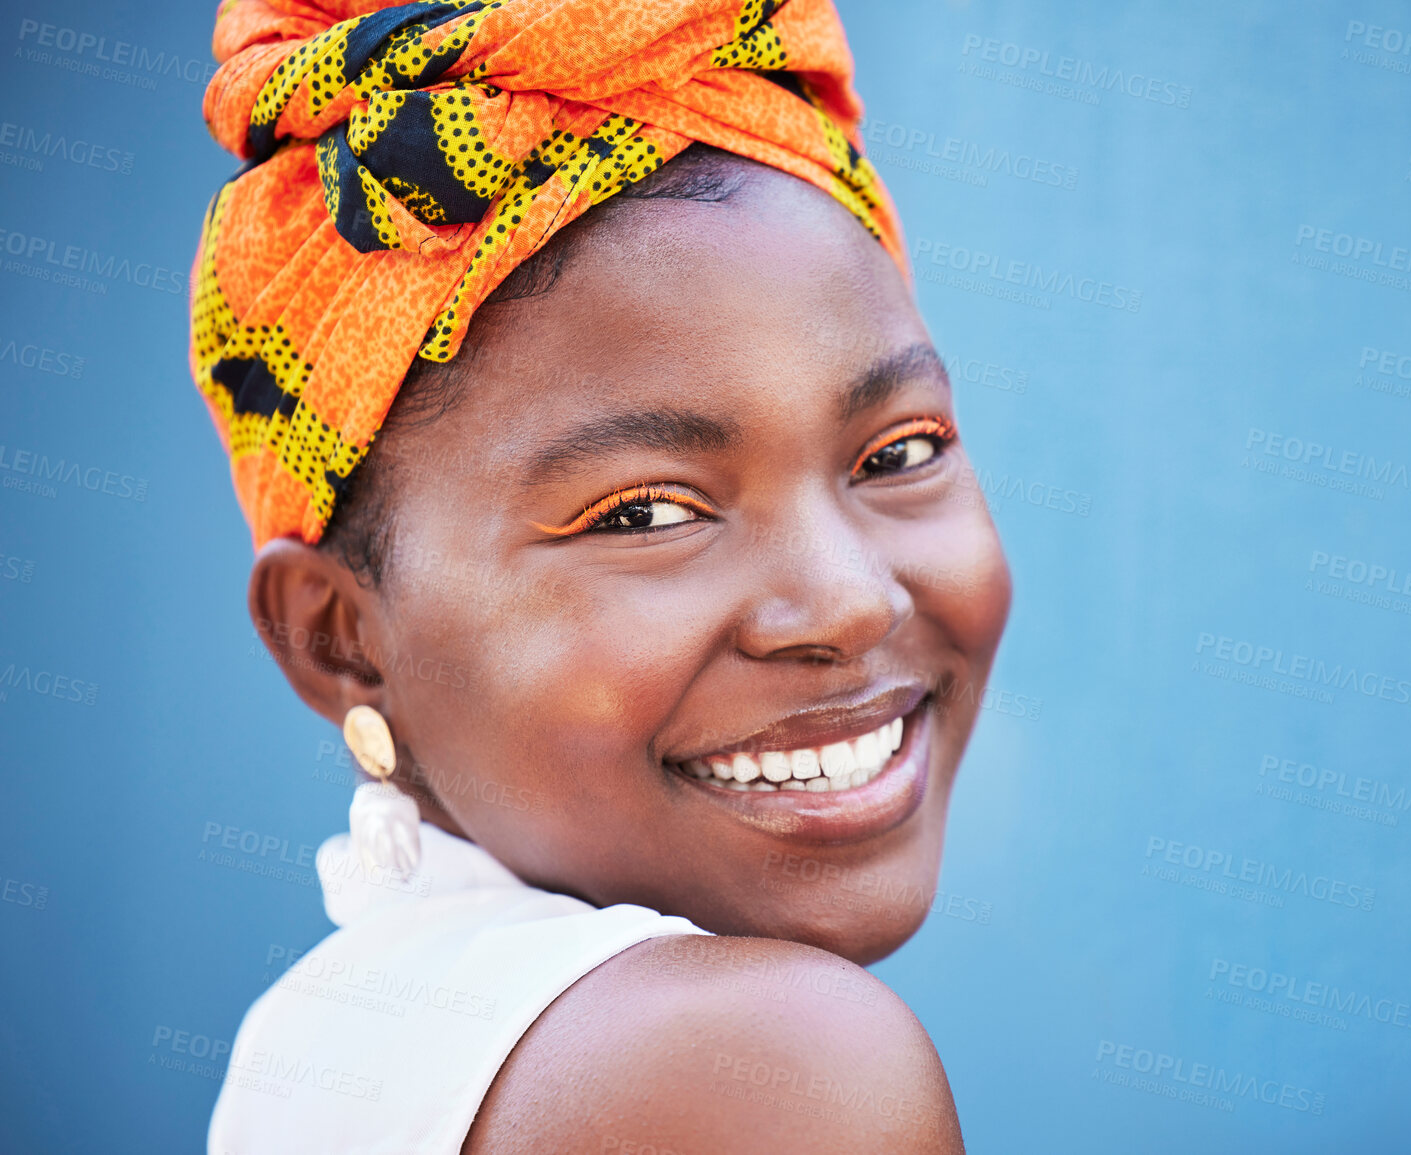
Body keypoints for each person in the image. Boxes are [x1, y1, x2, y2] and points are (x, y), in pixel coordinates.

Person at [194, 2, 1010, 1151]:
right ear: (341, 639)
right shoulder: (773, 1074)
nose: (849, 600)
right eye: (644, 513)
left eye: (900, 453)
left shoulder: (339, 1038)